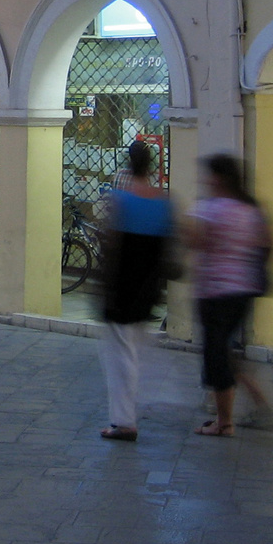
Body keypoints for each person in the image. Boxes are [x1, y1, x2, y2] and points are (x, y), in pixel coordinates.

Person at [184, 154, 273, 437]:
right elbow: (269, 243)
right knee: (224, 351)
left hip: (215, 291)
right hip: (243, 291)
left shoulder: (211, 208)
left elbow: (195, 242)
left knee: (217, 355)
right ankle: (240, 410)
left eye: (209, 174)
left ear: (219, 177)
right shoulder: (251, 210)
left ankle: (225, 422)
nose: (205, 179)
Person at [97, 140, 175, 443]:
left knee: (119, 356)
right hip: (149, 287)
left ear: (128, 164)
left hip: (123, 287)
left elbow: (111, 245)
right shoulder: (164, 201)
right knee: (133, 351)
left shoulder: (121, 200)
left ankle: (123, 420)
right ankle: (130, 413)